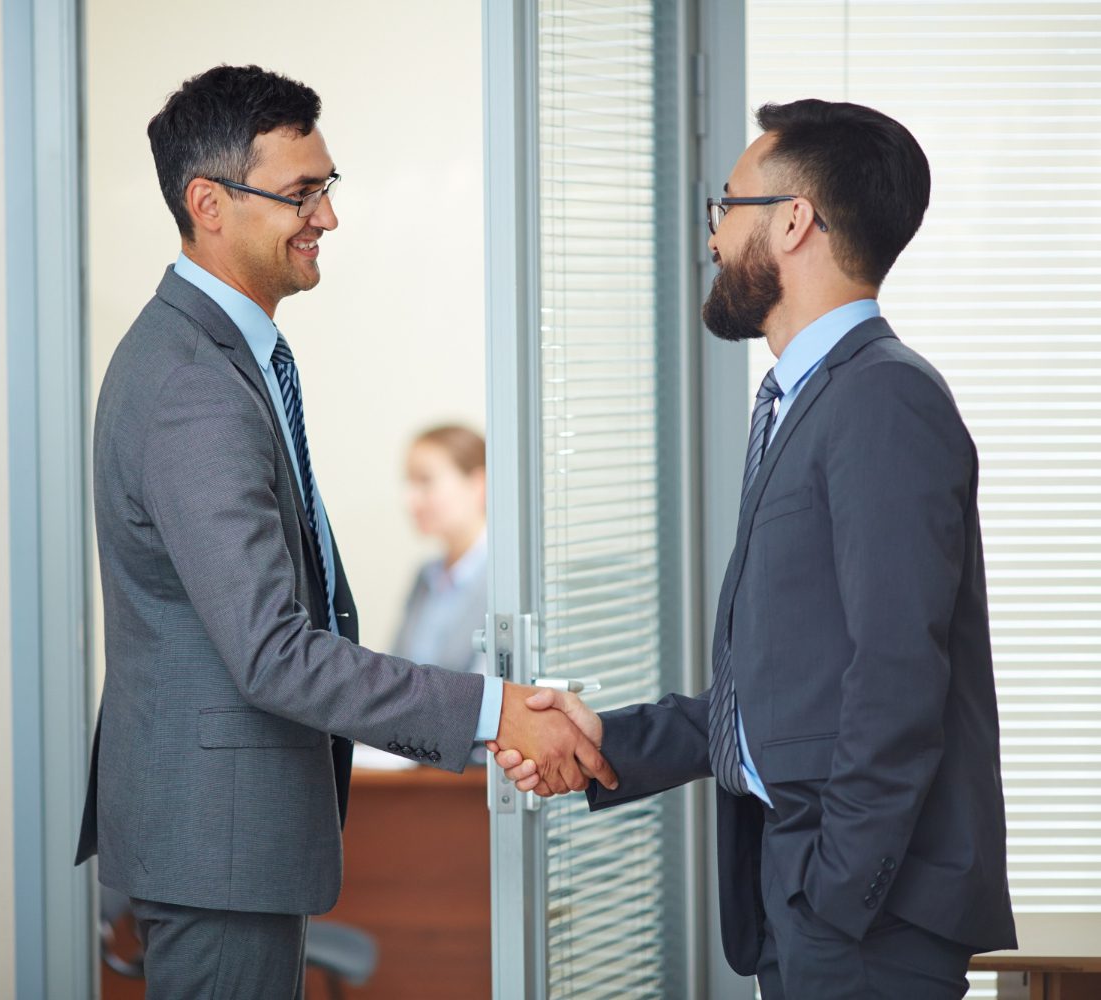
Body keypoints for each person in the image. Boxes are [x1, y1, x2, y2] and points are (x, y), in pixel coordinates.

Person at [74, 65, 612, 999]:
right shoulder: (193, 385)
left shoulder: (227, 358)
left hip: (226, 846)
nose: (327, 217)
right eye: (301, 193)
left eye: (328, 188)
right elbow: (274, 651)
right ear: (208, 203)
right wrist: (493, 712)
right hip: (215, 853)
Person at [496, 99, 1015, 998]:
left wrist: (838, 893)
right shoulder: (803, 402)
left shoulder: (881, 401)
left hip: (861, 917)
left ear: (791, 220)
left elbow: (898, 679)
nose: (712, 238)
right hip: (806, 895)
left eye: (724, 208)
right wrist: (607, 739)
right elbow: (787, 691)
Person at [390, 425, 488, 675]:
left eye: (425, 481)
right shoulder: (426, 576)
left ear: (478, 484)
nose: (410, 499)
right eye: (409, 482)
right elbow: (395, 673)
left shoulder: (505, 583)